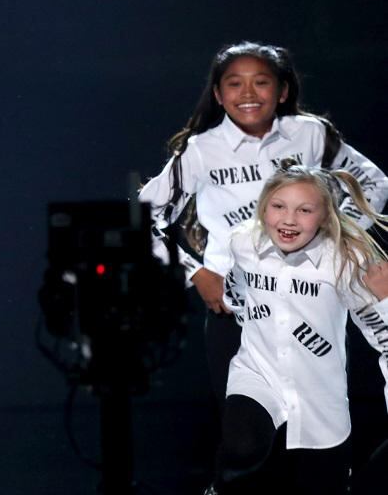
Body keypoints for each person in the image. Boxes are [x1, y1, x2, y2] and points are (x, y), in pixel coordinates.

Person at [139, 41, 388, 409]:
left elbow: (373, 182)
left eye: (261, 82)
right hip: (236, 309)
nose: (248, 93)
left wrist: (336, 236)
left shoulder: (310, 134)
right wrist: (197, 274)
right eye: (235, 83)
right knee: (245, 428)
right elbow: (141, 216)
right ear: (218, 94)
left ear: (282, 90)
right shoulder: (201, 150)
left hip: (312, 302)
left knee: (315, 421)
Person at [210, 161, 388, 494]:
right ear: (263, 208)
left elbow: (383, 335)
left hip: (319, 395)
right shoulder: (244, 243)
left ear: (325, 217)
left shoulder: (345, 260)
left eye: (305, 210)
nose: (289, 219)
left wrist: (385, 300)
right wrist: (243, 311)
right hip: (257, 373)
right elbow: (236, 289)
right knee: (242, 445)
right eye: (279, 206)